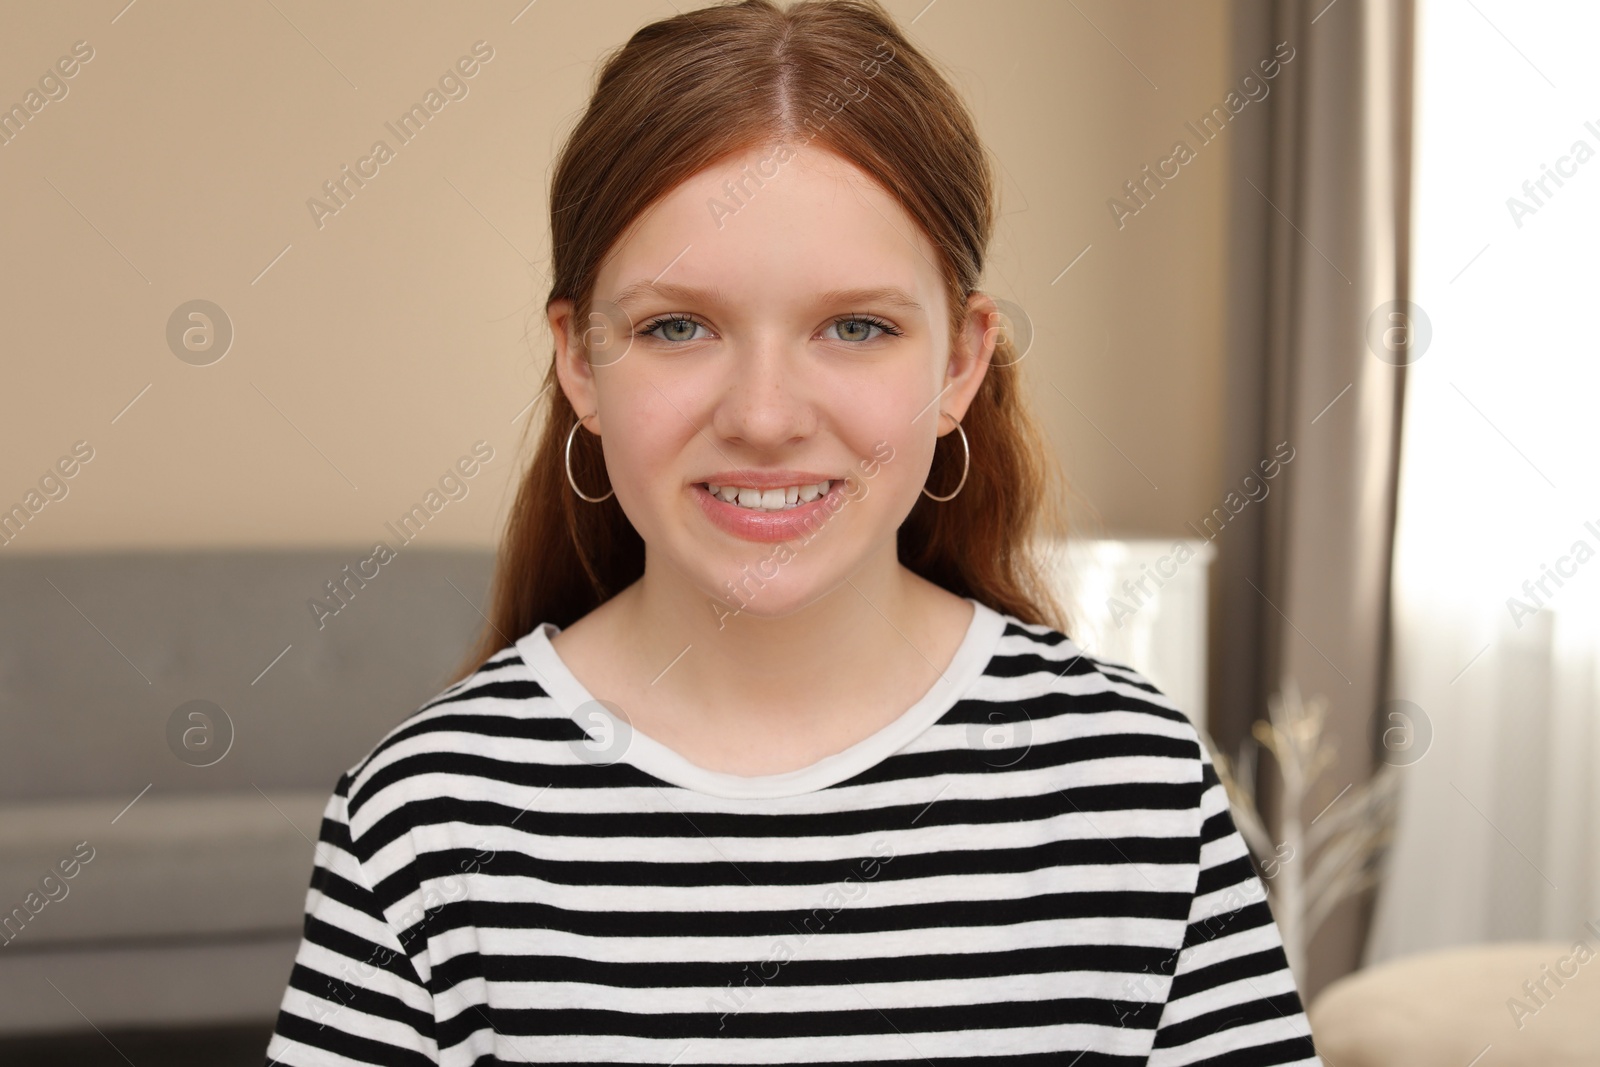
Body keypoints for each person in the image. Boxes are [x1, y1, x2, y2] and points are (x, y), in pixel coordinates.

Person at [264, 1, 1320, 1063]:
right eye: (676, 326)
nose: (764, 416)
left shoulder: (1133, 786)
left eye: (855, 326)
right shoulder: (425, 813)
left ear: (960, 361)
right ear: (579, 360)